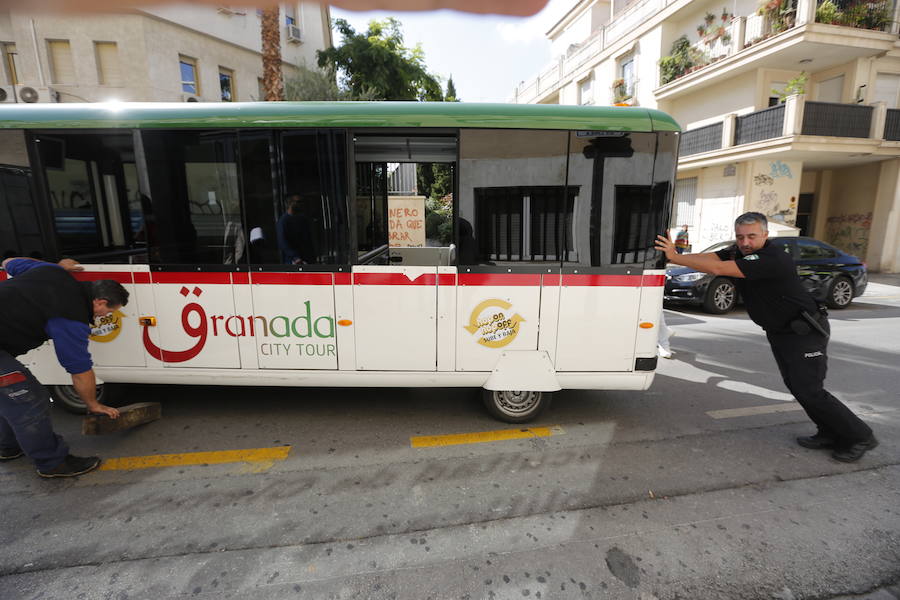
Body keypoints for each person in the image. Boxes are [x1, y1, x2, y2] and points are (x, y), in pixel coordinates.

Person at [654, 212, 877, 463]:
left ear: (765, 235)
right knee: (798, 387)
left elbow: (717, 268)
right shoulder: (741, 251)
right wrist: (676, 257)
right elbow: (714, 257)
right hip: (781, 331)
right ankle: (828, 431)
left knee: (810, 389)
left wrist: (675, 256)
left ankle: (860, 436)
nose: (745, 242)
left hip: (804, 331)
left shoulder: (771, 258)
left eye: (751, 236)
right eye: (740, 237)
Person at [0, 256, 127, 478]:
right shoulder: (70, 317)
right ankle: (52, 463)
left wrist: (57, 265)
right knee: (29, 399)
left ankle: (7, 447)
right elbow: (79, 369)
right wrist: (93, 404)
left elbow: (9, 262)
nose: (106, 316)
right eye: (109, 311)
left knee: (8, 397)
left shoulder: (52, 271)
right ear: (99, 302)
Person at [276, 196, 315, 265]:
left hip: (306, 259)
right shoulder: (283, 221)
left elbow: (308, 240)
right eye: (298, 202)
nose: (301, 205)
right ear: (290, 204)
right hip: (292, 261)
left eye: (302, 202)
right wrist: (295, 257)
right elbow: (282, 242)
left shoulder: (303, 220)